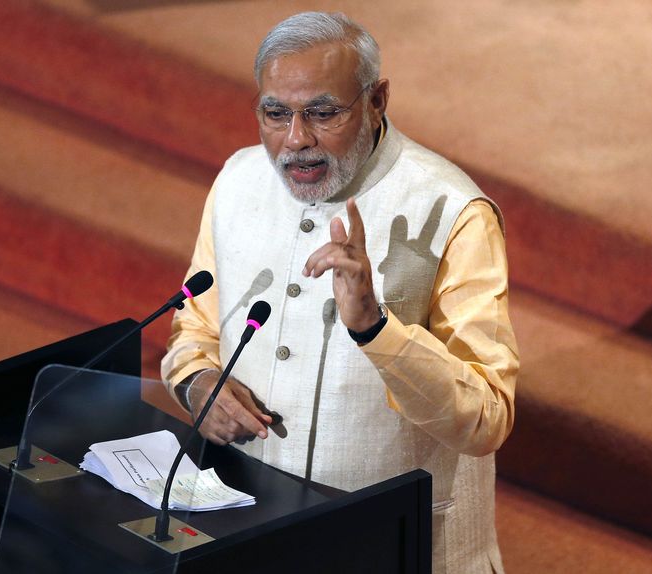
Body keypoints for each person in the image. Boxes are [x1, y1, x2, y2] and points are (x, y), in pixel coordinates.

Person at [161, 11, 519, 573]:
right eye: (275, 113)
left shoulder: (454, 213)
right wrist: (196, 383)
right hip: (249, 534)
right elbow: (194, 328)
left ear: (377, 100)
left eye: (323, 113)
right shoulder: (237, 182)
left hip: (399, 549)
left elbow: (487, 420)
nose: (296, 140)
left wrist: (375, 328)